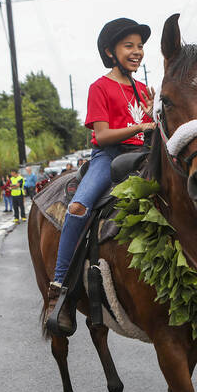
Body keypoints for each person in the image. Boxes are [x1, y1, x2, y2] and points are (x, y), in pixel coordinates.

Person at [46, 17, 156, 330]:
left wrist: (154, 116)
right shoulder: (100, 87)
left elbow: (155, 130)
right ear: (110, 52)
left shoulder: (144, 89)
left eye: (140, 46)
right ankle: (58, 289)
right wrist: (140, 125)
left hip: (143, 158)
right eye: (129, 46)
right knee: (78, 208)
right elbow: (102, 136)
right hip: (109, 159)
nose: (136, 51)